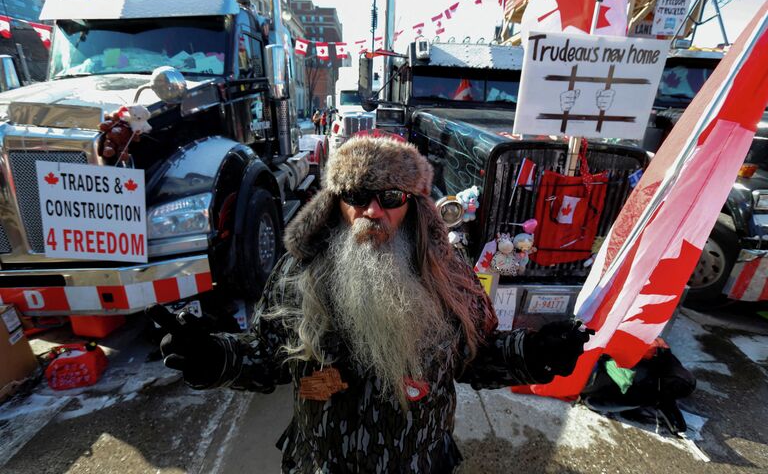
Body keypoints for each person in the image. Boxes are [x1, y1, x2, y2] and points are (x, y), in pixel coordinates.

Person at [149, 136, 592, 473]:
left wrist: (533, 353)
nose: (373, 211)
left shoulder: (449, 274)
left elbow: (476, 356)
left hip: (419, 463)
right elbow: (265, 358)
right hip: (323, 463)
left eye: (391, 198)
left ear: (413, 205)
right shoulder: (296, 274)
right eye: (358, 196)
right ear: (335, 203)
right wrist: (213, 357)